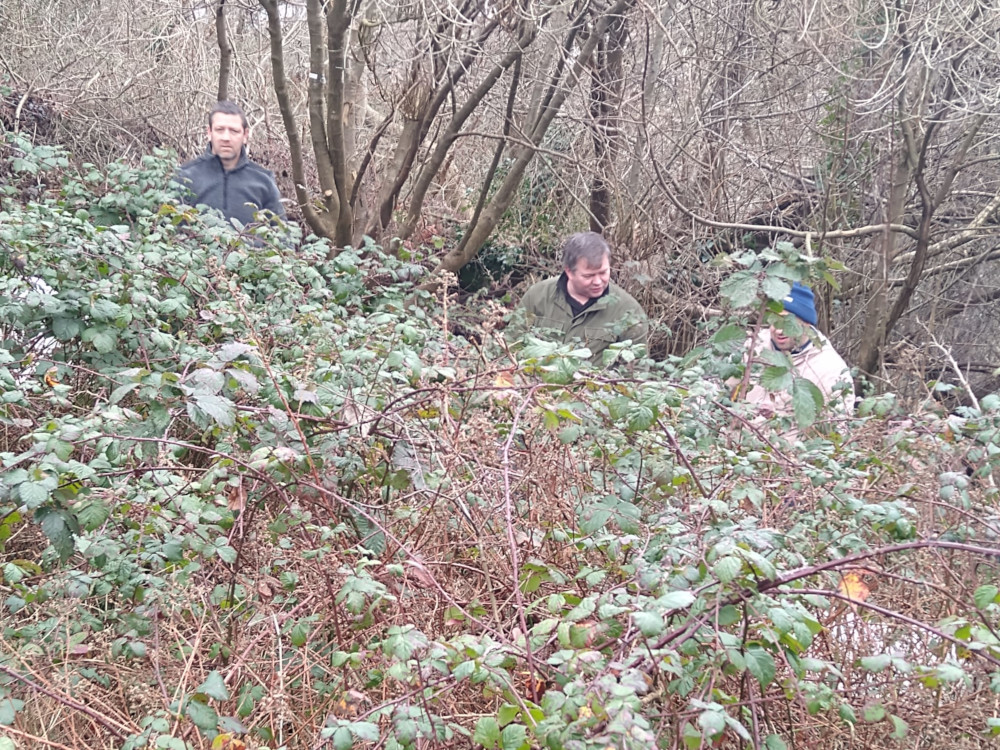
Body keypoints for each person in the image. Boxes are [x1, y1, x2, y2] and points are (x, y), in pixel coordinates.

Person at [516, 232, 648, 358]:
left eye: (603, 273)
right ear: (569, 271)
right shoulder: (538, 296)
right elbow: (513, 343)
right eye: (588, 276)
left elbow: (637, 367)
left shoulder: (628, 311)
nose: (597, 282)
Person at [738, 282, 854, 418]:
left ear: (806, 324)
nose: (779, 330)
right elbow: (721, 389)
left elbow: (838, 425)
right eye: (775, 321)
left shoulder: (830, 370)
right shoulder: (754, 346)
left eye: (788, 323)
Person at [175, 101, 285, 225]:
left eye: (234, 131)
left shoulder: (264, 181)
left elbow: (281, 233)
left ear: (245, 135)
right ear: (209, 133)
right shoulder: (184, 177)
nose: (226, 138)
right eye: (220, 130)